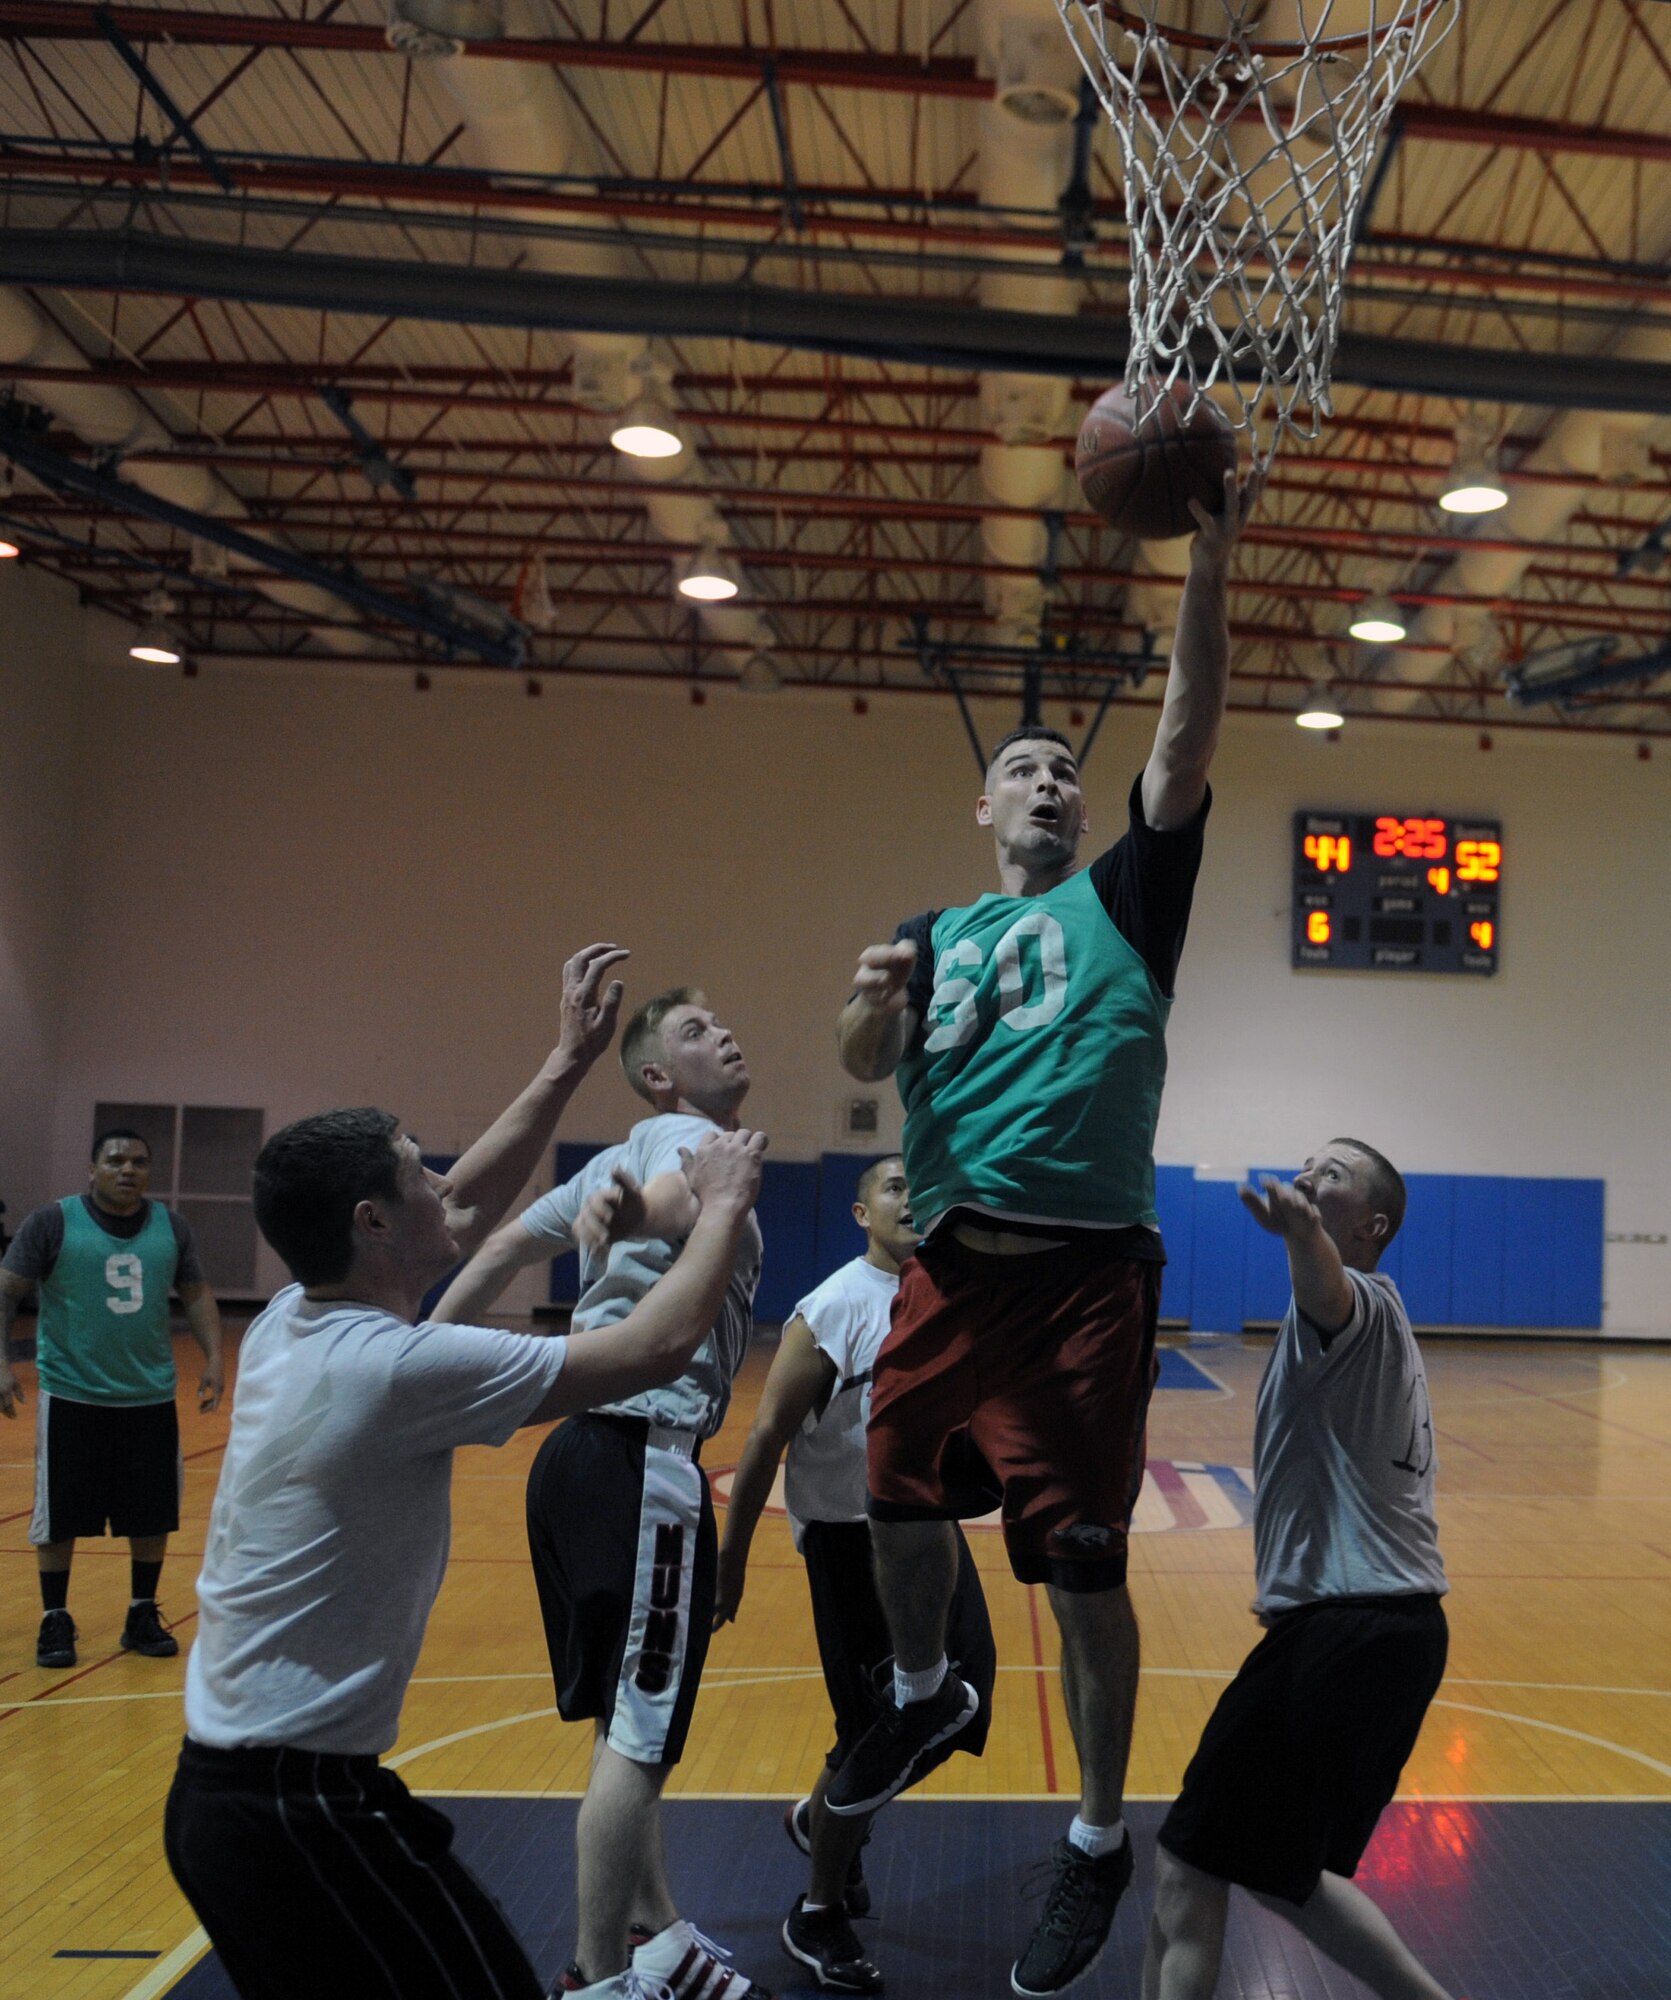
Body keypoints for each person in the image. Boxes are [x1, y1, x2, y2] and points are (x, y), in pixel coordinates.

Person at [832, 466, 1264, 1997]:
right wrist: (865, 1008)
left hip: (1083, 1281)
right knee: (889, 1499)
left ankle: (1092, 1839)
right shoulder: (931, 933)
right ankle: (922, 1687)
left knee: (1084, 1568)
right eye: (1020, 772)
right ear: (981, 806)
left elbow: (1184, 729)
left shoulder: (1129, 898)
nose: (1046, 785)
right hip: (951, 1266)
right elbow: (861, 1065)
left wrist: (1206, 560)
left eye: (1062, 775)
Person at [164, 943, 771, 2000]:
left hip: (238, 1794)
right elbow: (653, 1348)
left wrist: (566, 1059)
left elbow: (472, 1211)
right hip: (294, 1805)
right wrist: (720, 1205)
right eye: (418, 1171)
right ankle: (612, 1973)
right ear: (371, 1221)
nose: (443, 1184)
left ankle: (652, 1938)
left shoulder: (289, 1318)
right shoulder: (398, 1369)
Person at [436, 988, 770, 2000]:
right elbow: (676, 1201)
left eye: (720, 1020)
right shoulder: (694, 1144)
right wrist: (643, 1213)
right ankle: (597, 1976)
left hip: (574, 1458)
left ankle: (655, 1932)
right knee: (641, 1736)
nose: (724, 1031)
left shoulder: (617, 1154)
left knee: (625, 1720)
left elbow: (501, 1246)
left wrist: (417, 1360)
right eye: (696, 1029)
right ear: (659, 1075)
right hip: (645, 1459)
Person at [1143, 1141, 1453, 2000]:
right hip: (1380, 1633)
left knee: (1187, 1863)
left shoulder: (1357, 1307)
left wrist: (1301, 1235)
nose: (1311, 1174)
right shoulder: (1365, 1327)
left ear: (1371, 1225)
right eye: (1308, 1163)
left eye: (1333, 1174)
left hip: (1349, 1631)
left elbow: (1326, 1286)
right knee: (1283, 1872)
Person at [714, 1155, 997, 1996]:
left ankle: (821, 1815)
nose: (911, 1199)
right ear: (859, 1212)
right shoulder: (832, 1307)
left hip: (931, 1531)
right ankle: (818, 1912)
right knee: (881, 1730)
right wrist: (731, 1560)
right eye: (894, 1187)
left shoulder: (950, 1297)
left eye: (920, 1187)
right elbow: (763, 1437)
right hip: (851, 1547)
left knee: (960, 1702)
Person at [0, 1129, 225, 1669]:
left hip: (148, 1395)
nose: (128, 1170)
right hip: (72, 1393)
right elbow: (7, 1290)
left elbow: (195, 1293)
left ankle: (141, 1612)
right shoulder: (52, 1222)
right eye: (116, 1160)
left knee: (150, 1513)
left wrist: (215, 1355)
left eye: (139, 1162)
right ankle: (55, 1618)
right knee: (60, 1515)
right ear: (92, 1168)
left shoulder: (171, 1227)